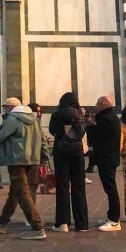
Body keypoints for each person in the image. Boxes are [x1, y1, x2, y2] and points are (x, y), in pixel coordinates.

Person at [0, 96, 46, 239]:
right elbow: (43, 140)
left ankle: (37, 228)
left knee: (21, 193)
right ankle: (3, 221)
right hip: (31, 159)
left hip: (16, 160)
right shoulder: (35, 119)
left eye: (5, 108)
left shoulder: (13, 119)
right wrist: (44, 159)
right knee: (15, 191)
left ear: (10, 107)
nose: (4, 110)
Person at [48, 91, 90, 232]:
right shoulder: (79, 114)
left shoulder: (56, 114)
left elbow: (52, 130)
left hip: (61, 152)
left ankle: (63, 223)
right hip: (77, 152)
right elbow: (83, 132)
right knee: (79, 187)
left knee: (63, 187)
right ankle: (82, 224)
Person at [86, 96, 122, 231]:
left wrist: (90, 125)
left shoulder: (106, 118)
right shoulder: (111, 116)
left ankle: (114, 220)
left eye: (97, 104)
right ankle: (111, 216)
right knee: (109, 188)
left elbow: (97, 135)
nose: (96, 106)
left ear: (103, 105)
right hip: (108, 157)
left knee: (111, 189)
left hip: (107, 158)